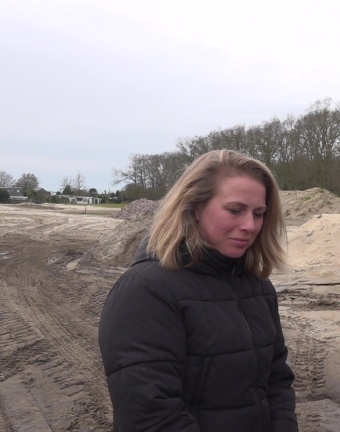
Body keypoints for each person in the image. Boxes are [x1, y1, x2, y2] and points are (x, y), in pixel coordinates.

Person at [99, 150, 297, 432]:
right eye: (235, 210)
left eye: (259, 213)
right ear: (194, 207)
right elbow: (151, 414)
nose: (249, 226)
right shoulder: (147, 291)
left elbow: (277, 381)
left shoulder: (257, 286)